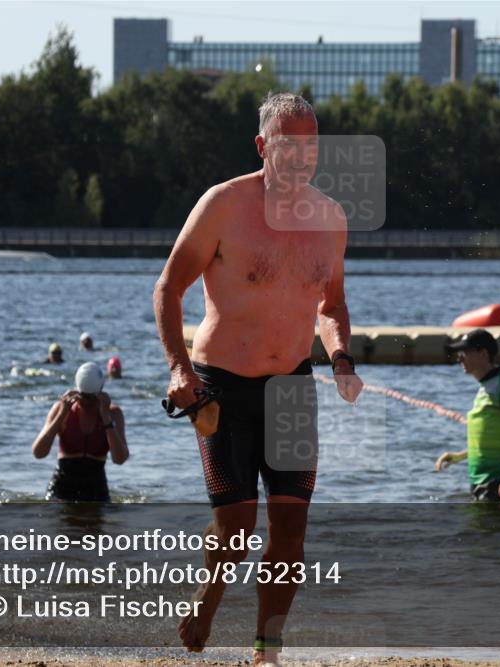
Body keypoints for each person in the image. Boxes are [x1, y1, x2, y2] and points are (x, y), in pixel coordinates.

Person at [153, 92, 362, 666]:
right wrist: (179, 369)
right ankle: (209, 595)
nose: (300, 158)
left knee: (291, 528)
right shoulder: (224, 205)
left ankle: (267, 650)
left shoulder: (330, 218)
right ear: (262, 146)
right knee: (237, 530)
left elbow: (331, 305)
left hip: (292, 386)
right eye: (288, 146)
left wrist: (342, 358)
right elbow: (168, 288)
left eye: (310, 147)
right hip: (221, 387)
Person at [435, 329, 500, 502]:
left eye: (465, 352)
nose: (459, 358)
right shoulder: (485, 387)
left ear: (483, 354)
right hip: (480, 480)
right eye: (459, 353)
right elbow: (491, 439)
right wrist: (460, 456)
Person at [30, 362, 128, 501]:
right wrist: (62, 414)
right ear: (77, 391)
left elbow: (120, 459)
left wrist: (106, 418)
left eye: (91, 398)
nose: (87, 403)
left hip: (96, 488)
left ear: (100, 393)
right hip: (62, 488)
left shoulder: (113, 413)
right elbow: (38, 453)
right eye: (83, 397)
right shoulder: (61, 409)